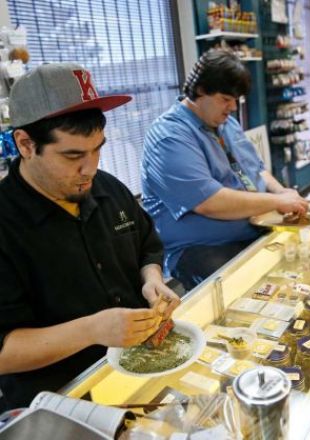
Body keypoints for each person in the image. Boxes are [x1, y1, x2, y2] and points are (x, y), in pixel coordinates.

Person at [0, 62, 180, 409]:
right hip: (63, 397)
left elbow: (147, 245)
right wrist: (91, 330)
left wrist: (152, 279)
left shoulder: (107, 187)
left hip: (140, 366)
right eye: (73, 156)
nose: (91, 168)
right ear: (25, 144)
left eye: (98, 149)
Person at [141, 49, 308, 291]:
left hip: (254, 228)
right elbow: (209, 202)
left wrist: (283, 193)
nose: (232, 107)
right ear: (200, 90)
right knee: (250, 294)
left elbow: (256, 171)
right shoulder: (169, 137)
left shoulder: (227, 123)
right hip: (201, 248)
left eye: (236, 100)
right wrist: (276, 201)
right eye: (225, 99)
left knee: (298, 270)